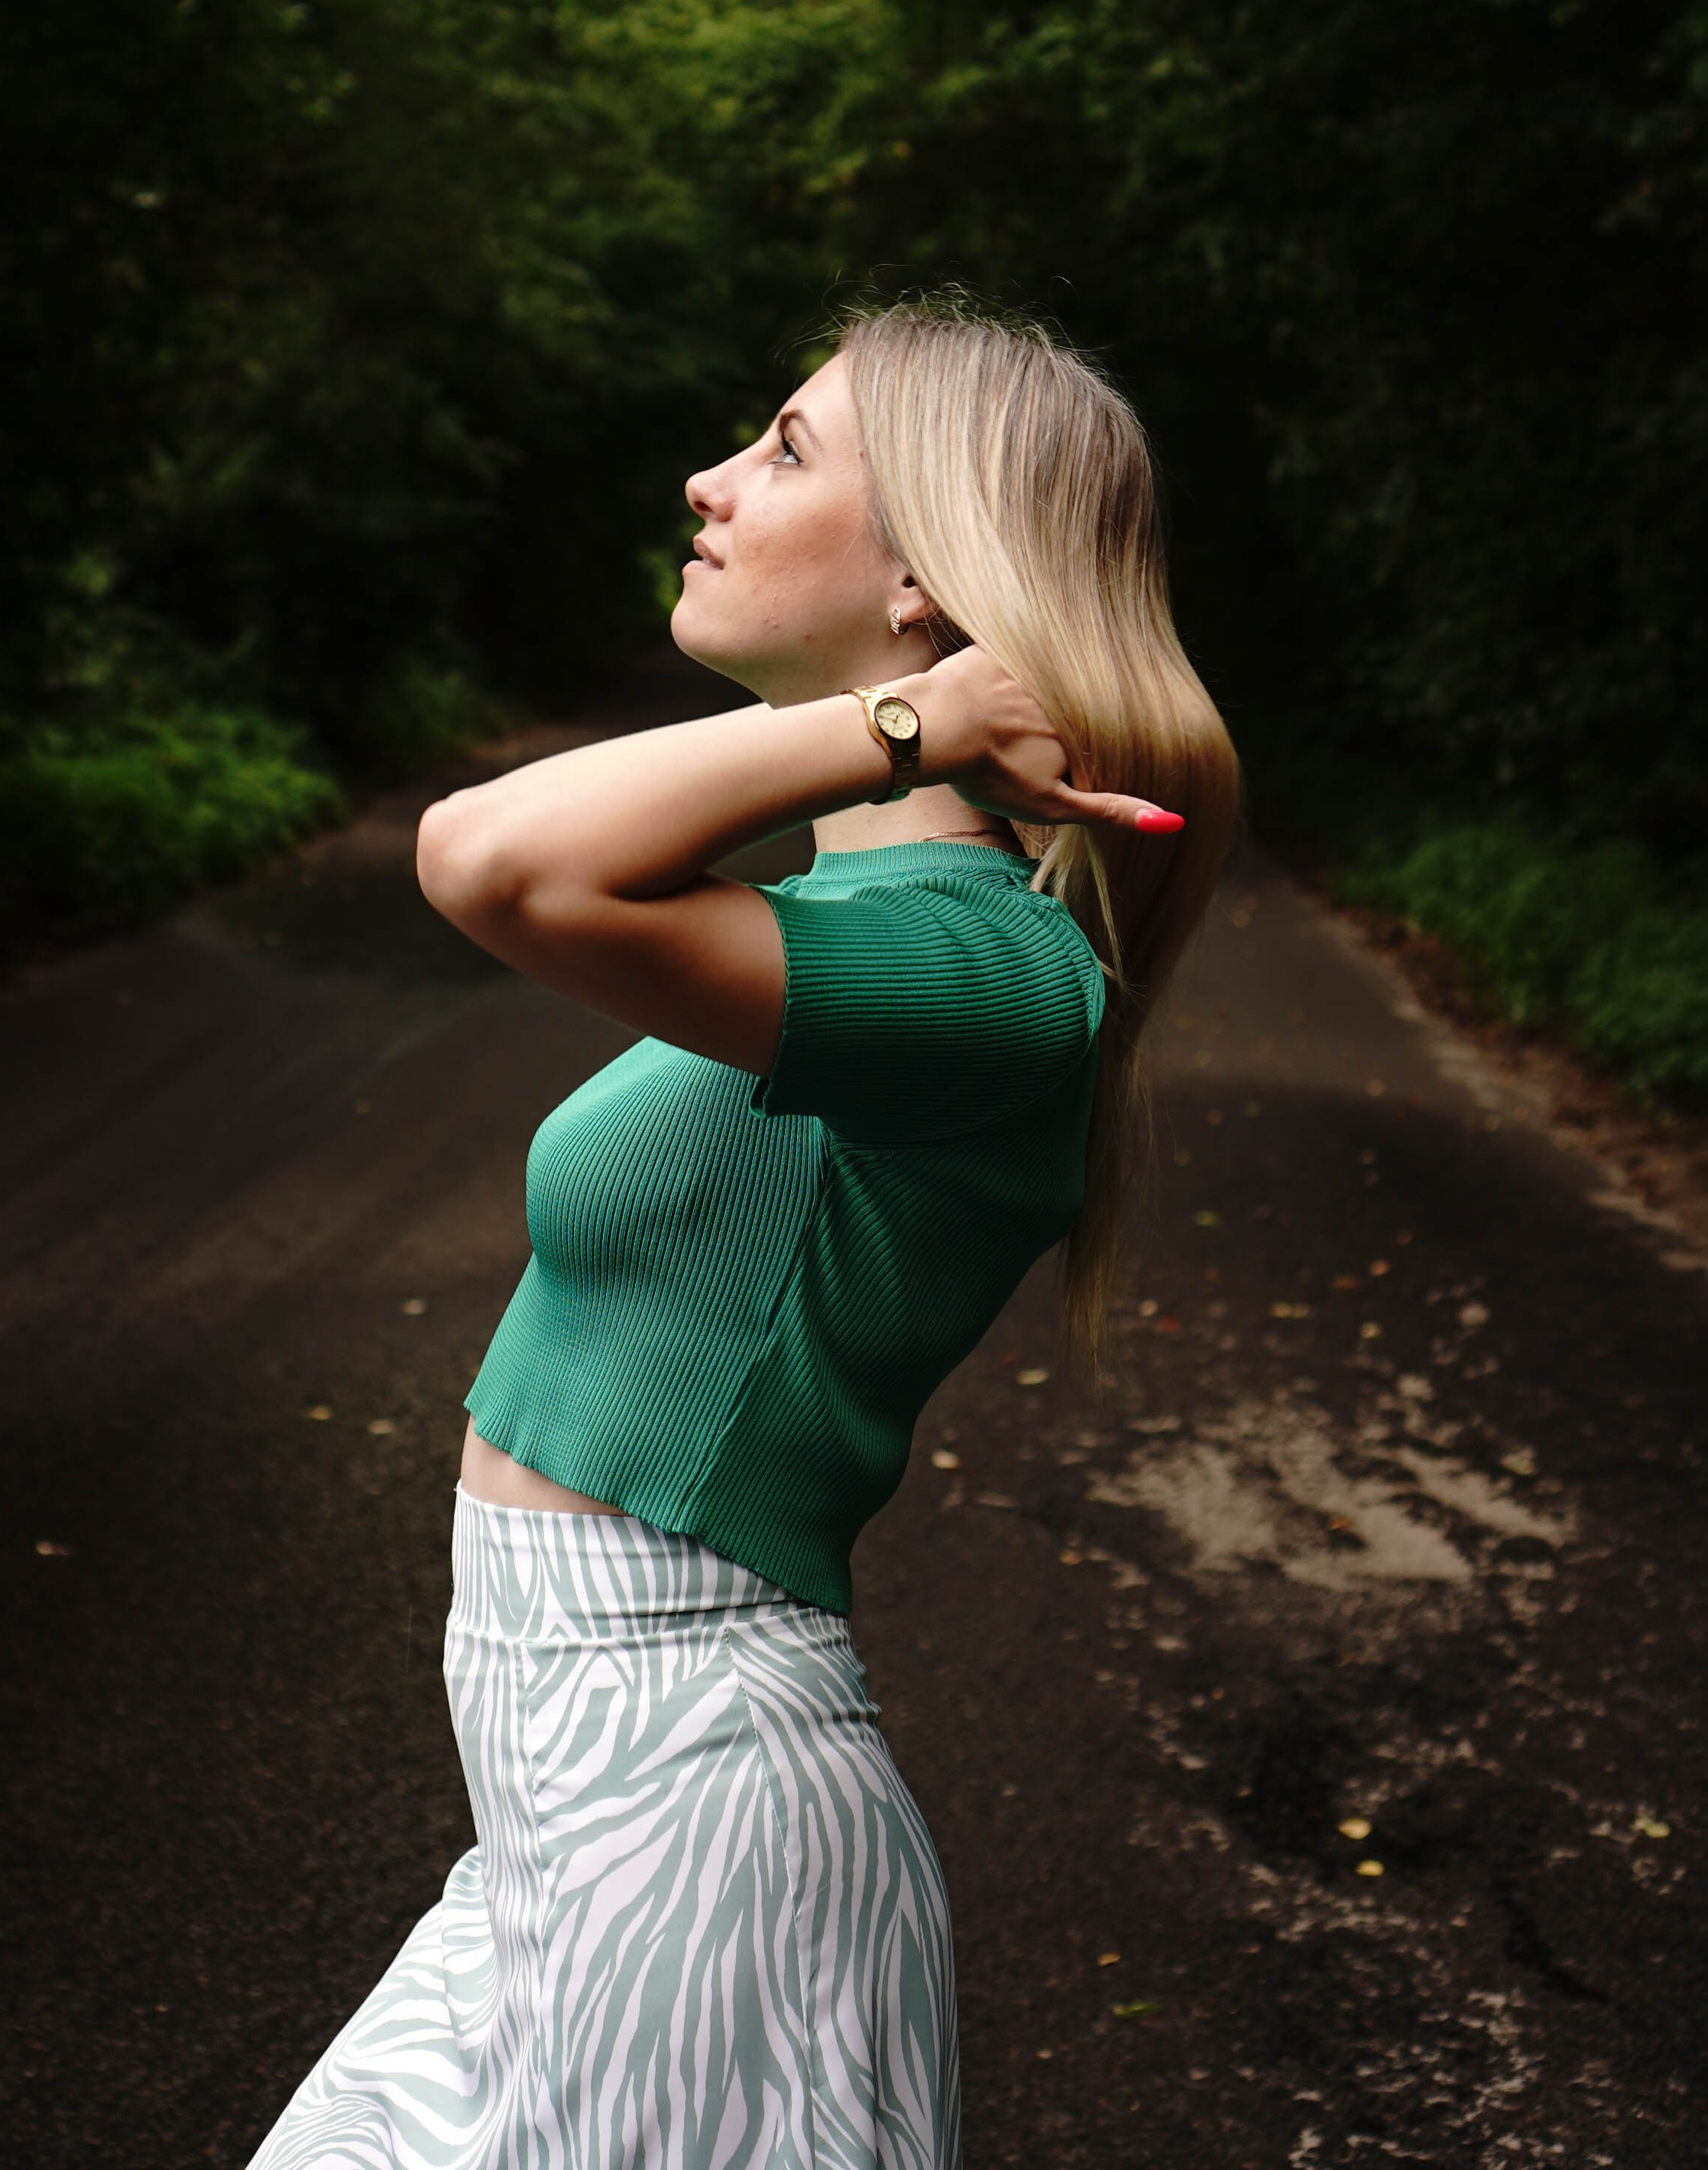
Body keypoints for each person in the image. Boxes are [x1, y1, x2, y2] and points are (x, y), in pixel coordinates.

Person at [247, 297, 1237, 2170]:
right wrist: (893, 729)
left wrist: (911, 725)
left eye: (784, 450)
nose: (708, 478)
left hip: (688, 1819)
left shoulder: (987, 973)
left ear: (926, 588)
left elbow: (485, 856)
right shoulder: (849, 934)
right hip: (582, 1820)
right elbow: (525, 850)